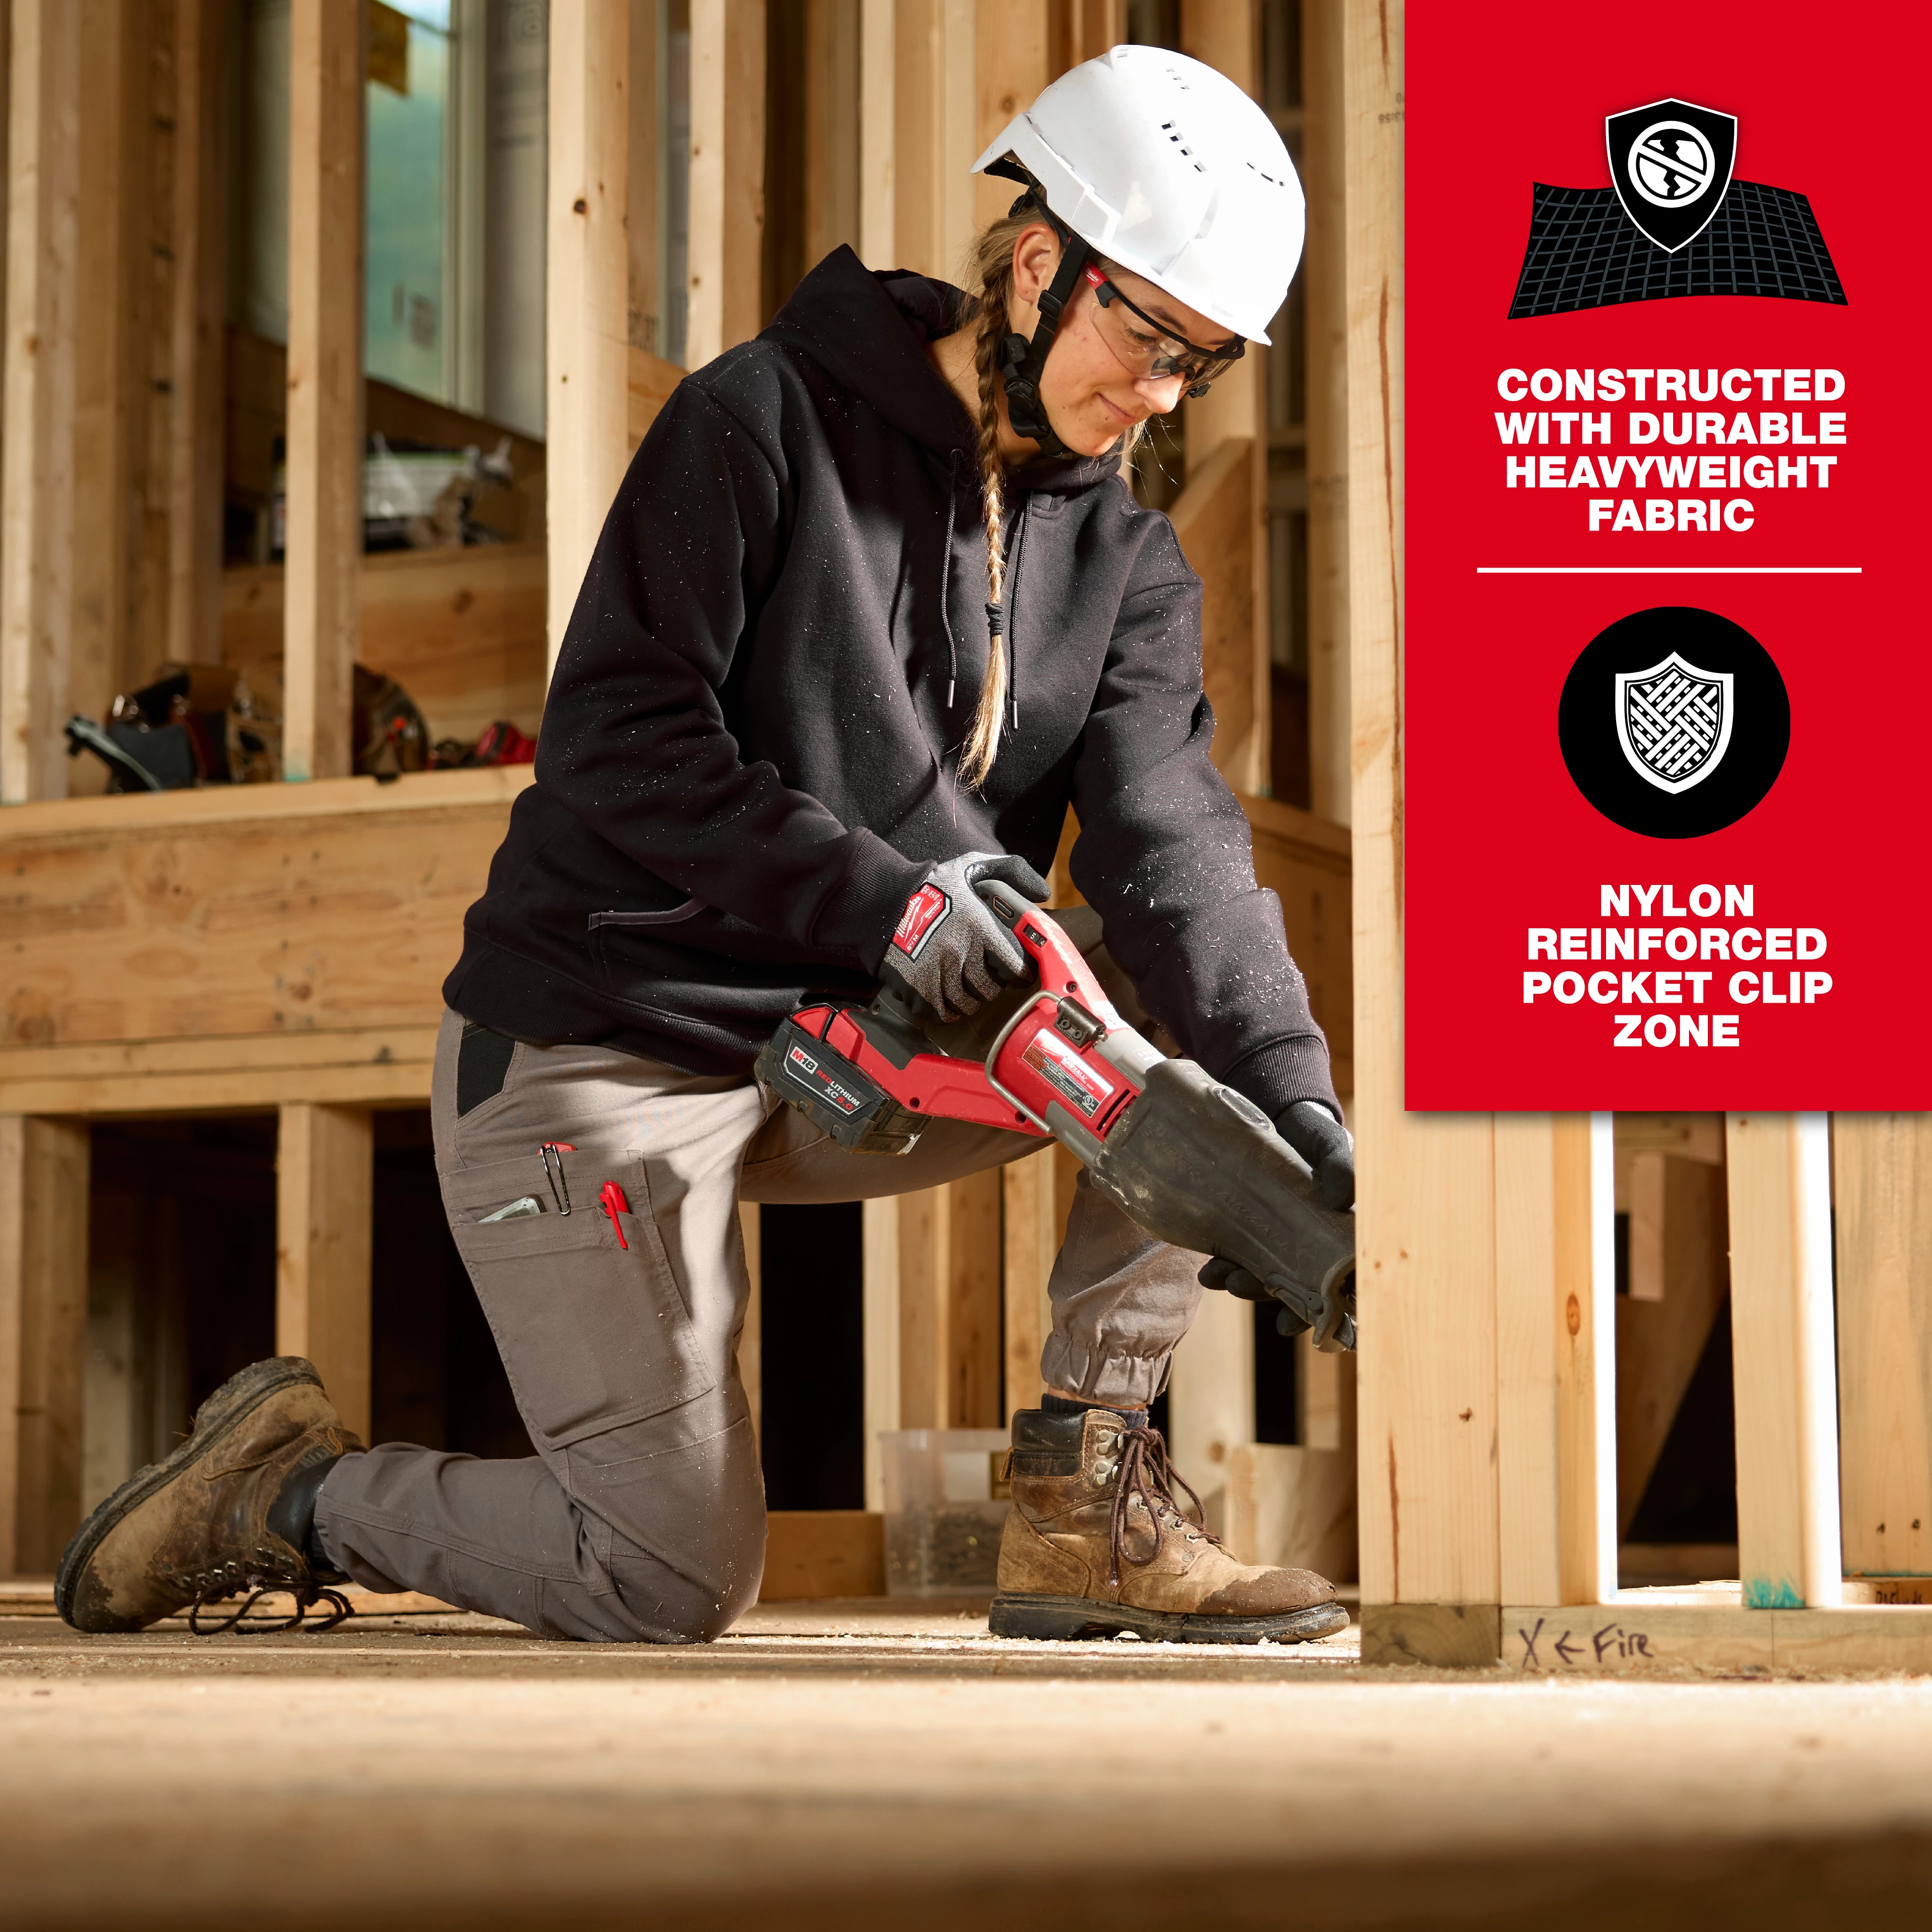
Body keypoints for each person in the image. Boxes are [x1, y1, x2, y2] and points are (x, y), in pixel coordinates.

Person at [58, 46, 1354, 1647]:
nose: (1162, 396)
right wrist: (886, 906)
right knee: (668, 1575)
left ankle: (1088, 1510)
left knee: (1176, 1079)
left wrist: (1297, 1106)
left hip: (842, 1049)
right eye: (1150, 340)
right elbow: (624, 744)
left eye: (1202, 367)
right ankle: (293, 1492)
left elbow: (1174, 848)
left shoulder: (1129, 561)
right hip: (602, 1044)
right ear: (1038, 268)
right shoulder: (761, 422)